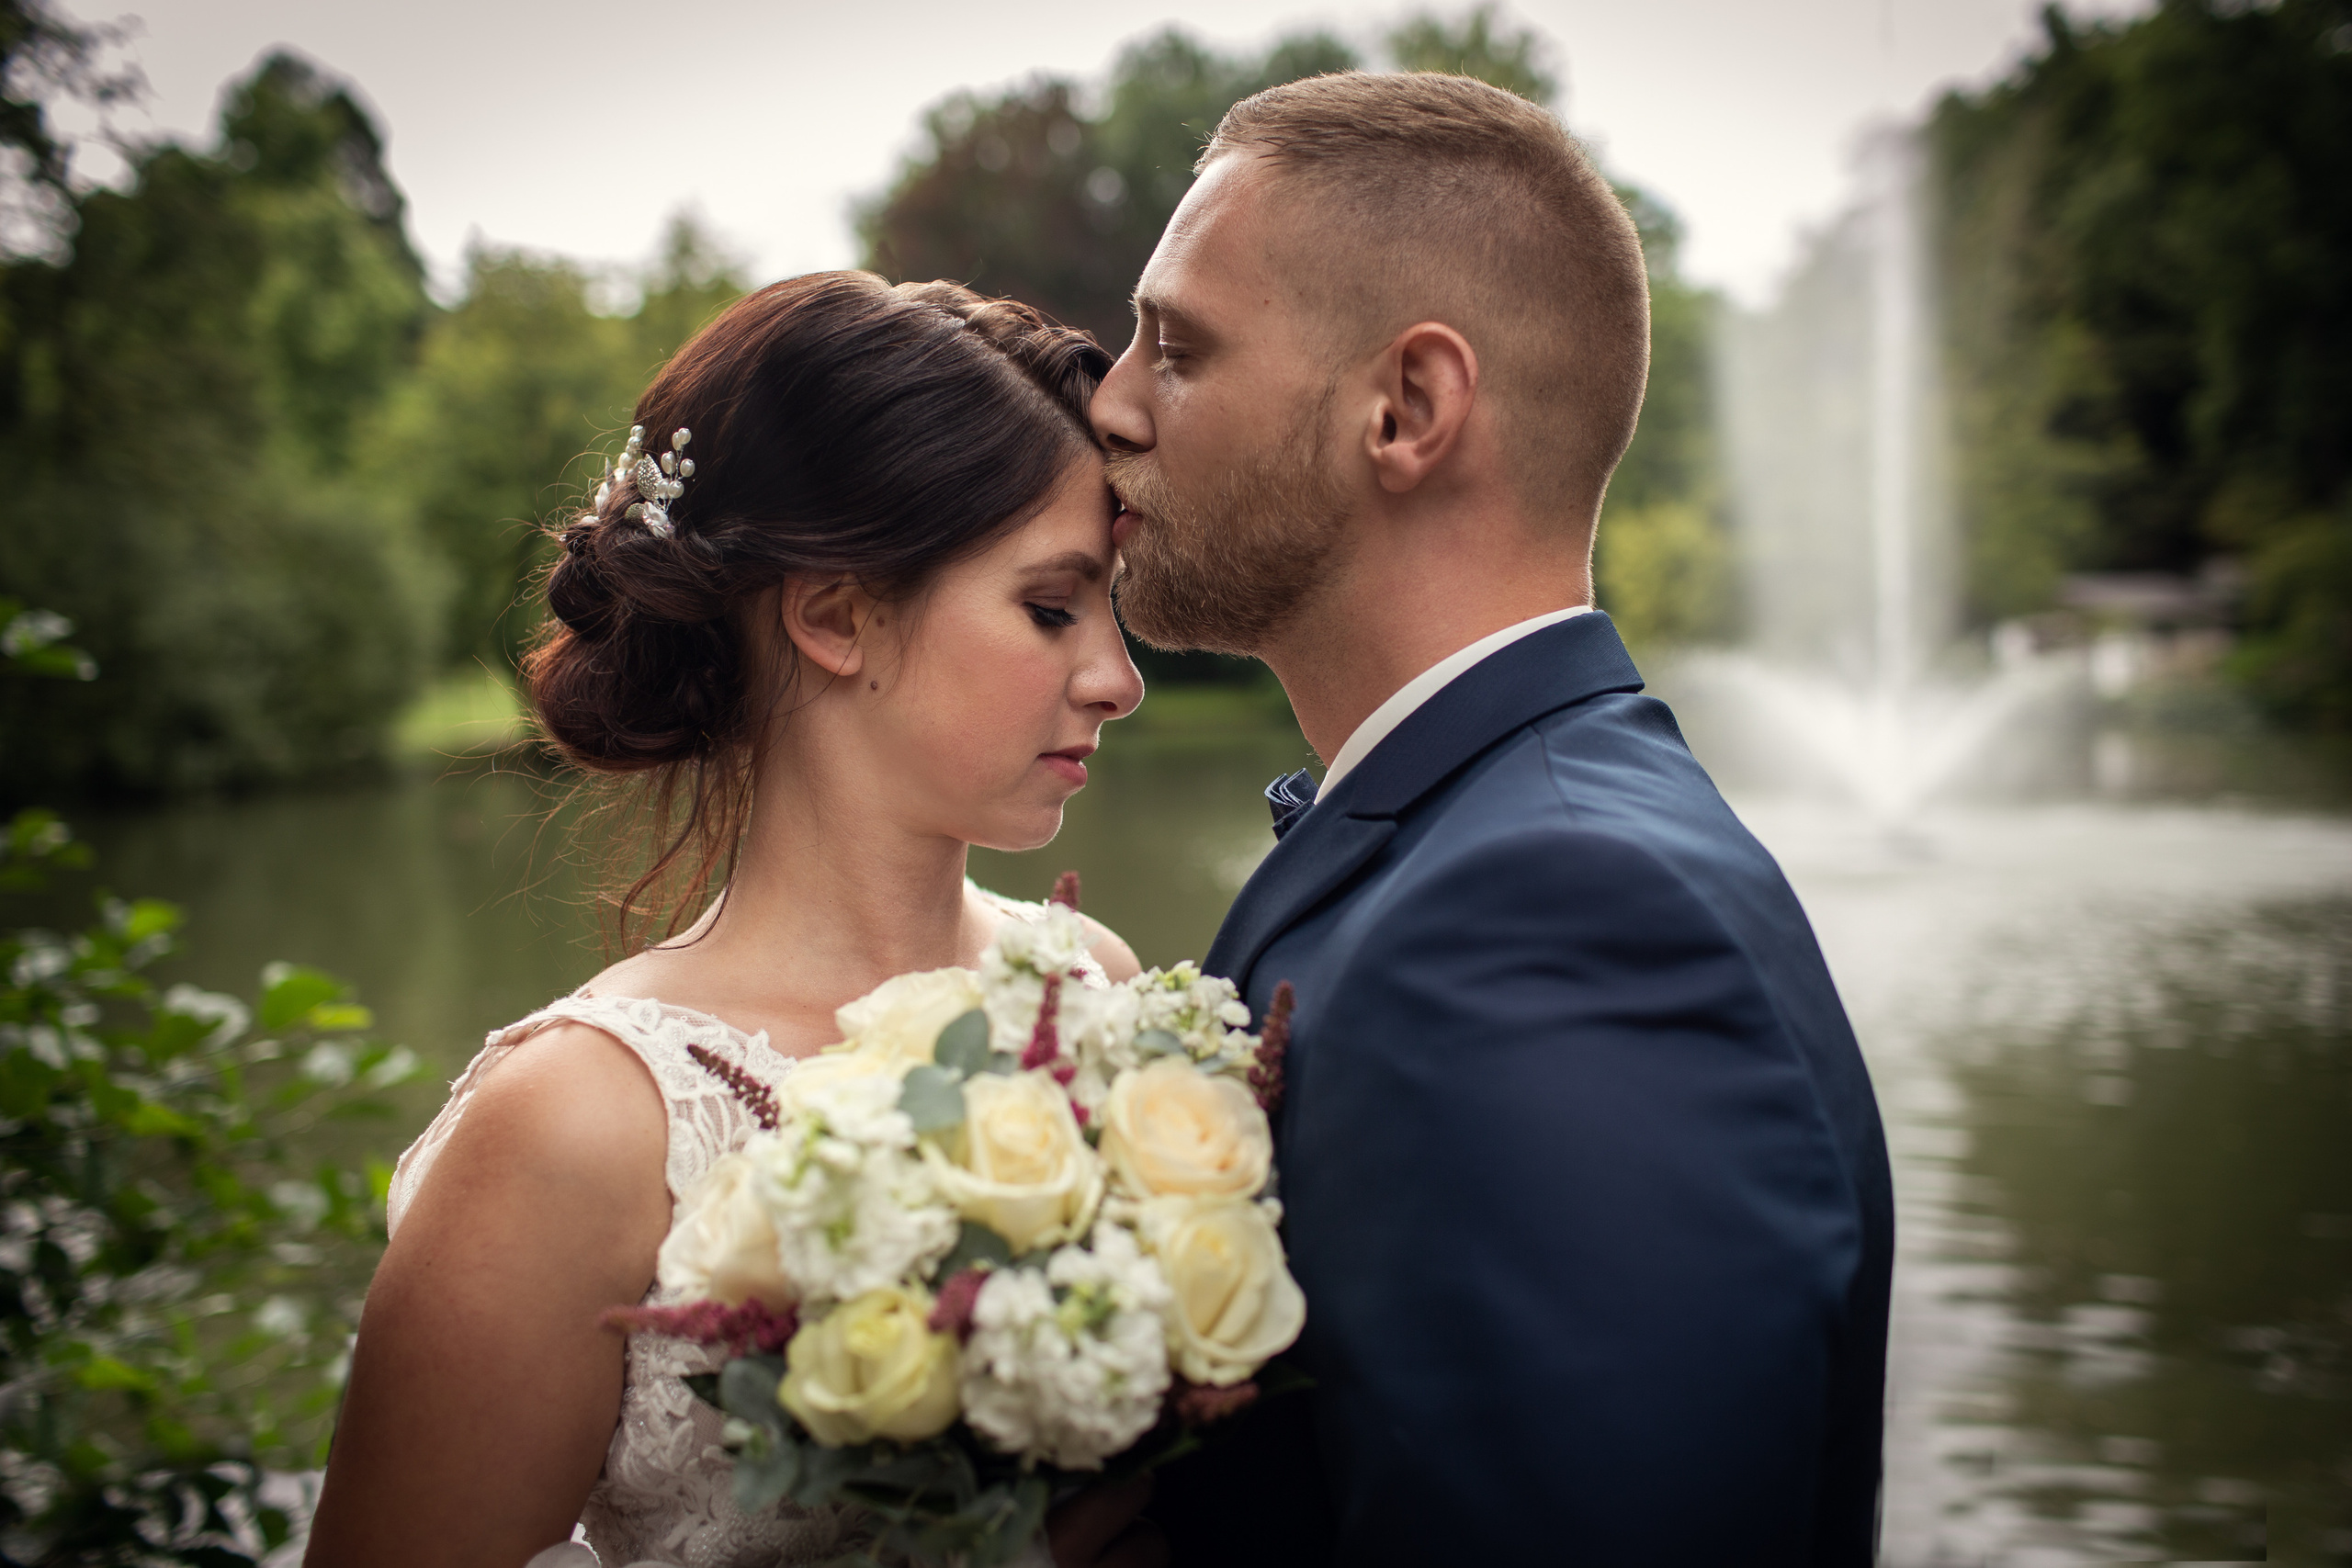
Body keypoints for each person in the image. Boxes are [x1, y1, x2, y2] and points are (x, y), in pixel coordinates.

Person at [1092, 73, 1895, 1565]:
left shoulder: (1561, 913)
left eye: (1178, 349)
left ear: (1406, 409)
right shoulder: (1488, 839)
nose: (1113, 403)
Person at [305, 275, 1167, 1568]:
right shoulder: (582, 1124)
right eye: (1051, 609)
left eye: (1109, 607)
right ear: (832, 614)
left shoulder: (1089, 989)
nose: (1119, 678)